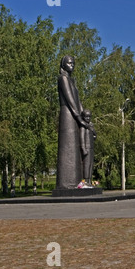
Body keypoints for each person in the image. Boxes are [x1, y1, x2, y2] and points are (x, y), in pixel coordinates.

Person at [56, 55, 88, 189]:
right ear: (63, 65)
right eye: (69, 63)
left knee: (74, 149)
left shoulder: (71, 80)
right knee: (67, 147)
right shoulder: (62, 78)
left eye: (73, 63)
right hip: (67, 115)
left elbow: (77, 100)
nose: (72, 65)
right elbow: (69, 99)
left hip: (74, 115)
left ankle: (77, 182)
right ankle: (66, 183)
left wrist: (83, 115)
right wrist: (78, 116)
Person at [80, 109, 97, 186]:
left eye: (89, 116)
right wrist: (83, 148)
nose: (88, 118)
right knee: (86, 165)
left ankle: (89, 180)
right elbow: (81, 138)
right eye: (86, 116)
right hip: (86, 148)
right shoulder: (83, 127)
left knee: (90, 164)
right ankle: (85, 181)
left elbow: (95, 136)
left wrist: (93, 130)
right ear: (83, 117)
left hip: (91, 148)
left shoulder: (91, 126)